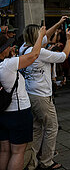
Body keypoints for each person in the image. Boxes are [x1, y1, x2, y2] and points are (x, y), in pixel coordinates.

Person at [20, 19, 70, 170]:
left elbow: (44, 37)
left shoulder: (23, 48)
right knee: (52, 127)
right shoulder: (41, 53)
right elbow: (63, 56)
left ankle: (33, 160)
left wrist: (58, 23)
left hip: (30, 93)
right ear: (36, 37)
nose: (44, 36)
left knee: (36, 127)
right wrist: (69, 40)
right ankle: (47, 161)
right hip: (42, 96)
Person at [0, 27, 46, 170]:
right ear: (2, 50)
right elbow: (34, 55)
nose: (10, 47)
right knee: (17, 152)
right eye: (8, 46)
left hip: (2, 113)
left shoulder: (6, 64)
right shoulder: (7, 65)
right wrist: (41, 36)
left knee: (4, 150)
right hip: (18, 113)